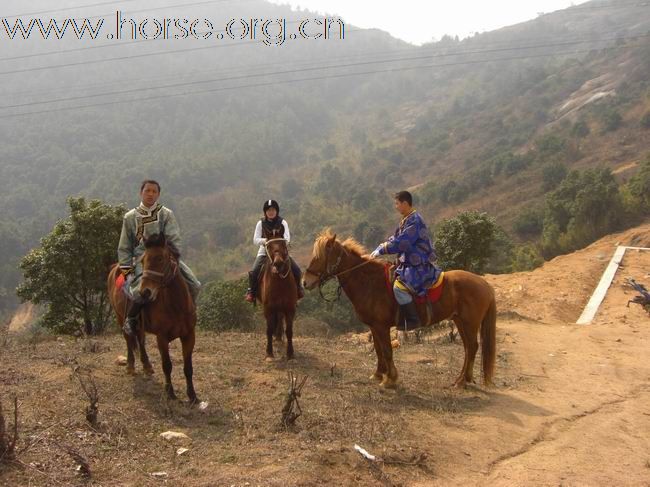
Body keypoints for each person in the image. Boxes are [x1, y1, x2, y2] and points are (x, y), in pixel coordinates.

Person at [118, 180, 201, 336]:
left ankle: (189, 313)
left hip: (165, 257)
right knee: (139, 291)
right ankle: (131, 319)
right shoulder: (129, 217)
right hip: (142, 259)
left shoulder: (166, 214)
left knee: (194, 284)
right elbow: (124, 246)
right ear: (141, 192)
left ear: (158, 194)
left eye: (154, 191)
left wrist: (172, 258)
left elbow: (174, 238)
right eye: (147, 191)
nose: (150, 194)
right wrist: (127, 269)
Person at [369, 191, 440, 331]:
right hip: (407, 262)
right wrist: (381, 246)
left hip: (417, 263)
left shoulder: (415, 220)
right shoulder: (407, 219)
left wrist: (382, 251)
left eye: (397, 203)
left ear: (405, 203)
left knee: (398, 288)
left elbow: (402, 243)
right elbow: (394, 238)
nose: (396, 207)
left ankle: (413, 320)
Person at [245, 199, 304, 303]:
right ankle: (252, 293)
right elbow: (255, 240)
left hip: (280, 252)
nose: (270, 212)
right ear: (265, 212)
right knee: (254, 271)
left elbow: (287, 239)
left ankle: (299, 289)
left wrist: (277, 243)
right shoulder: (260, 223)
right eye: (268, 210)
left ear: (276, 211)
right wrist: (267, 241)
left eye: (273, 210)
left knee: (297, 270)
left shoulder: (283, 222)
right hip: (265, 251)